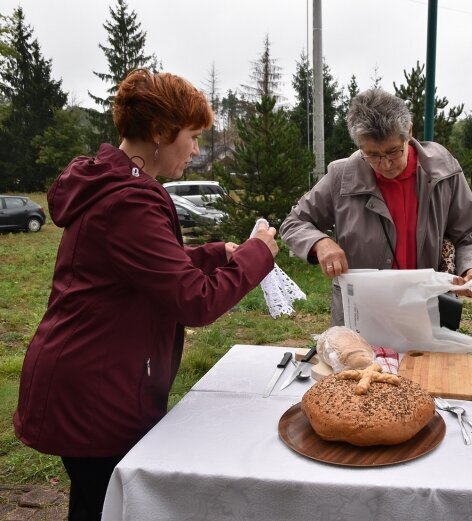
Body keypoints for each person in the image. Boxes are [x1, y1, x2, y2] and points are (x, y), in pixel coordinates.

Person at [13, 69, 279, 521]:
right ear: (159, 132)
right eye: (192, 137)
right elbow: (194, 301)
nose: (195, 150)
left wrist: (217, 252)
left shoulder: (115, 185)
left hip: (91, 379)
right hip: (96, 392)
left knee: (96, 503)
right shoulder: (129, 199)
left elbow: (146, 268)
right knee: (105, 506)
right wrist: (256, 256)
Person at [280, 88, 472, 325]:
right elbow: (293, 224)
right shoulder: (341, 176)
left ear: (408, 131)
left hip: (425, 314)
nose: (385, 164)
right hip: (360, 317)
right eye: (372, 155)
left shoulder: (443, 171)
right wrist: (320, 243)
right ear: (359, 145)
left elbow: (470, 235)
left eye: (393, 151)